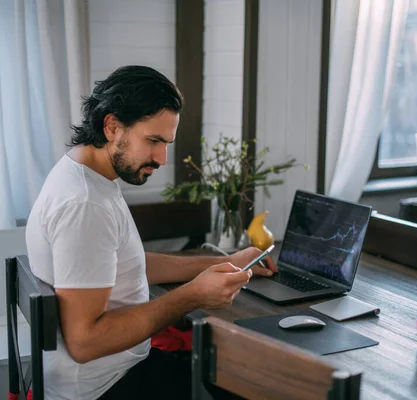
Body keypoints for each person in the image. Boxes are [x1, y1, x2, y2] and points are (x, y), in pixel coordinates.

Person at [25, 65, 278, 400]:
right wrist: (192, 295)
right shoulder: (85, 204)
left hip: (112, 371)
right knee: (258, 385)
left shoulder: (87, 174)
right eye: (154, 141)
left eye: (166, 143)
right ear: (112, 126)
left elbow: (122, 265)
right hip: (105, 387)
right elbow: (86, 342)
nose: (162, 158)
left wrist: (228, 259)